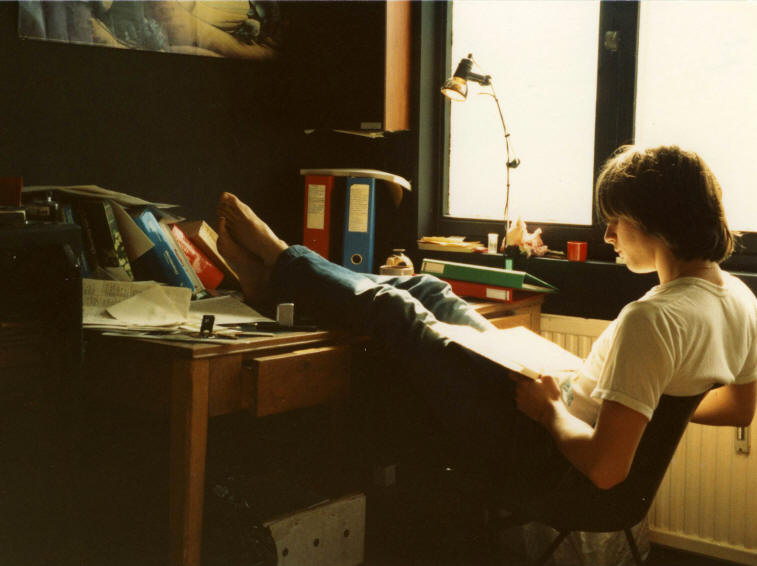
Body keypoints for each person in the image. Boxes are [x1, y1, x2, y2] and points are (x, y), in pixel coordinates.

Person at [215, 144, 756, 516]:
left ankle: (283, 258)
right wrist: (634, 401)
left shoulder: (654, 318)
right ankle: (279, 285)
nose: (609, 234)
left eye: (617, 219)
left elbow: (606, 470)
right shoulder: (741, 300)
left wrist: (551, 409)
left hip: (543, 452)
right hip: (562, 408)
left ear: (658, 221)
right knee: (430, 290)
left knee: (399, 311)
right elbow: (739, 408)